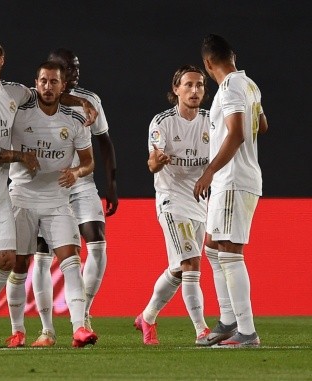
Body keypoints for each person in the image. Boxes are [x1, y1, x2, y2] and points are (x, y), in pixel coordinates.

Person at [0, 37, 97, 350]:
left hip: (0, 191)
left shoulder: (15, 93)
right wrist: (22, 157)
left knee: (6, 260)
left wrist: (83, 103)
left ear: (1, 59)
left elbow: (50, 95)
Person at [4, 60, 98, 348]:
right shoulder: (18, 115)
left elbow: (89, 162)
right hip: (21, 197)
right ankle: (18, 331)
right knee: (19, 266)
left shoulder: (74, 120)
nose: (47, 86)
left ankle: (80, 328)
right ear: (36, 83)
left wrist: (76, 173)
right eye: (43, 81)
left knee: (71, 261)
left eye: (53, 81)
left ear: (62, 86)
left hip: (58, 199)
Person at [30, 48, 118, 344]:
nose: (75, 71)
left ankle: (84, 314)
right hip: (47, 184)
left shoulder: (92, 100)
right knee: (42, 255)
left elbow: (104, 142)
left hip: (80, 180)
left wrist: (112, 183)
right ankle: (46, 328)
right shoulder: (35, 96)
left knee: (97, 242)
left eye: (77, 67)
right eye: (70, 66)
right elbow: (50, 99)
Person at [194, 34, 268, 348]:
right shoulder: (249, 84)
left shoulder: (230, 87)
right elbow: (261, 126)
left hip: (233, 179)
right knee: (212, 246)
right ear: (232, 55)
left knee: (229, 251)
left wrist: (209, 171)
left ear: (208, 64)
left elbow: (237, 133)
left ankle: (247, 331)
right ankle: (227, 319)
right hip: (236, 178)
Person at [134, 65, 211, 346]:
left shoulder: (210, 120)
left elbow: (219, 157)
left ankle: (148, 316)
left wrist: (209, 175)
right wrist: (157, 161)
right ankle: (202, 330)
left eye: (200, 85)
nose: (194, 90)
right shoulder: (162, 122)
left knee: (179, 269)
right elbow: (153, 161)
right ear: (176, 89)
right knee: (192, 264)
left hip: (199, 202)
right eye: (188, 85)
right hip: (171, 200)